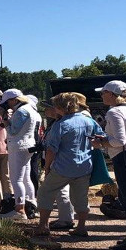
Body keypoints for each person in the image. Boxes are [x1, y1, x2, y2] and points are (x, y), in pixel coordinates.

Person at [92, 80, 126, 250]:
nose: (101, 95)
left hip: (125, 158)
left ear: (112, 94)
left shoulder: (114, 112)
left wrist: (101, 143)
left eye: (103, 92)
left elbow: (119, 141)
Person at [35, 93, 99, 237]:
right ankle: (81, 227)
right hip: (84, 165)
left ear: (59, 107)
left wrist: (47, 167)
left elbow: (51, 149)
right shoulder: (88, 121)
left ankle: (43, 225)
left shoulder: (61, 124)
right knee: (80, 197)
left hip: (63, 166)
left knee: (45, 192)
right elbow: (100, 137)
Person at [0, 89, 42, 220]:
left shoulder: (21, 111)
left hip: (18, 146)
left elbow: (12, 131)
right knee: (26, 178)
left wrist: (5, 117)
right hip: (28, 146)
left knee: (16, 179)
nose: (7, 105)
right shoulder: (32, 110)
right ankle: (31, 204)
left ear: (14, 100)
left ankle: (20, 210)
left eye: (7, 102)